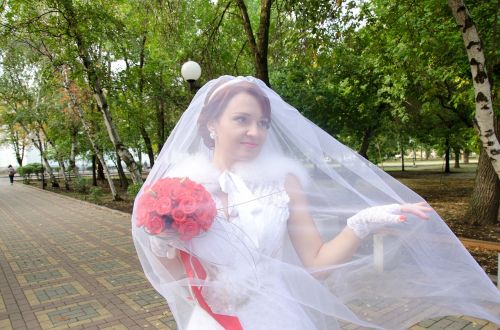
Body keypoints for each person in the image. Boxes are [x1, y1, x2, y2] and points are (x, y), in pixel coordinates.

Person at [132, 76, 500, 329]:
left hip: (277, 317)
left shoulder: (283, 181)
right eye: (242, 119)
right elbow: (176, 280)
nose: (255, 132)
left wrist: (363, 222)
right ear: (211, 123)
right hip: (213, 321)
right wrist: (163, 242)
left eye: (262, 122)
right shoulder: (177, 189)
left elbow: (316, 264)